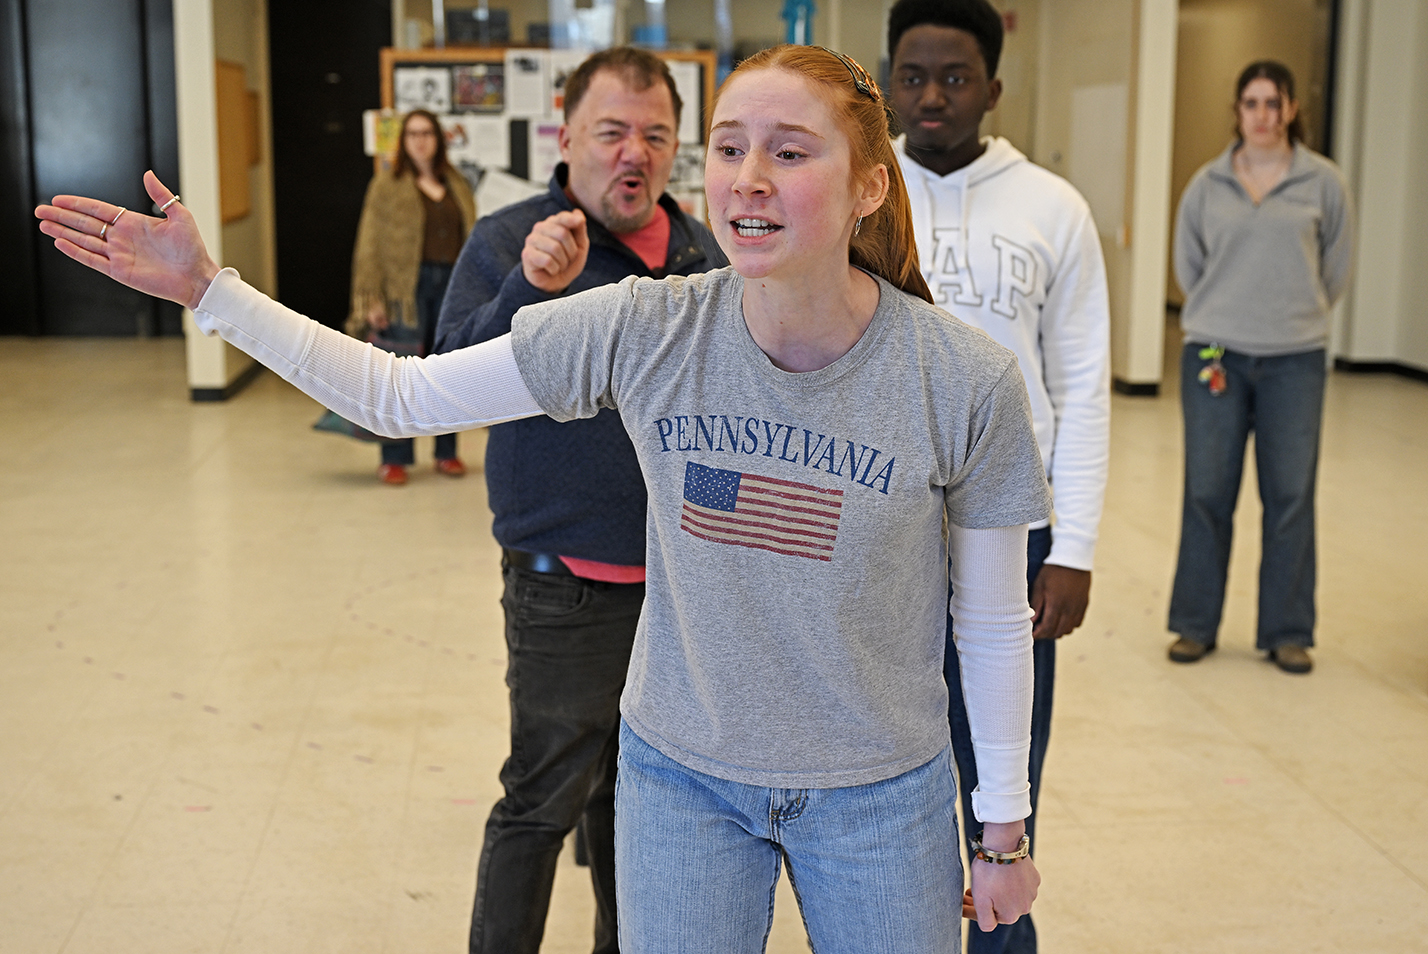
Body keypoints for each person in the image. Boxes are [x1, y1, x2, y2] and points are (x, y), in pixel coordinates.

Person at [38, 44, 1049, 953]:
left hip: (880, 794)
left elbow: (994, 621)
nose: (748, 176)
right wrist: (211, 291)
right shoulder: (648, 327)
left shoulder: (962, 380)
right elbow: (400, 396)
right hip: (684, 782)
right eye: (730, 146)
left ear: (870, 184)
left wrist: (1002, 830)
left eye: (790, 152)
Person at [434, 48, 725, 954]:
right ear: (566, 138)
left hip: (680, 588)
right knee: (542, 798)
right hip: (562, 584)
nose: (634, 153)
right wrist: (529, 290)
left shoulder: (705, 253)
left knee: (639, 803)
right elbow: (445, 382)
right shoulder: (512, 240)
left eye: (656, 135)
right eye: (611, 132)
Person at [885, 2, 1112, 952]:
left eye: (956, 77)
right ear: (887, 84)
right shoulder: (855, 192)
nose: (933, 96)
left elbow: (1084, 386)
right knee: (884, 788)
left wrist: (1075, 547)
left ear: (994, 88)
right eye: (913, 76)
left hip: (1015, 535)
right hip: (882, 532)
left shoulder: (1053, 207)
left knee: (1002, 788)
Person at [1166, 60, 1353, 675]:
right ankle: (1194, 625)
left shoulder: (1322, 182)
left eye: (1275, 103)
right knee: (1207, 491)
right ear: (1238, 111)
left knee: (1291, 494)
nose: (1264, 115)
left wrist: (1292, 317)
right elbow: (1189, 266)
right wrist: (1224, 314)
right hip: (1215, 353)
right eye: (1252, 103)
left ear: (1291, 109)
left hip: (1295, 358)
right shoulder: (1207, 184)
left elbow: (1336, 268)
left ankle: (1288, 631)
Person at [347, 108, 474, 484]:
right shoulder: (386, 185)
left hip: (451, 286)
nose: (420, 141)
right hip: (405, 289)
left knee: (448, 371)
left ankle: (447, 451)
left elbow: (472, 237)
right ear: (403, 142)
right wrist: (373, 297)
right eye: (412, 134)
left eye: (427, 133)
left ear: (438, 139)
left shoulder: (456, 183)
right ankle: (395, 457)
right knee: (400, 375)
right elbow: (369, 243)